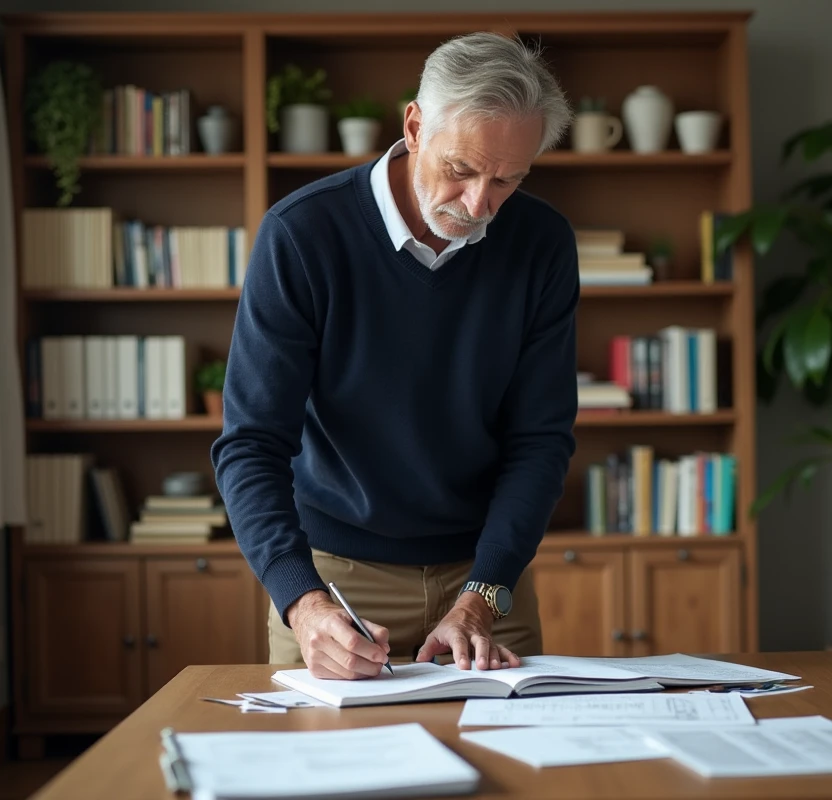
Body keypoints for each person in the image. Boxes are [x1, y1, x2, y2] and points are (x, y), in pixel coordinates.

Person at [210, 31, 579, 681]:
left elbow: (541, 440)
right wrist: (302, 602)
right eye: (461, 170)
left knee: (514, 772)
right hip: (334, 581)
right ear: (414, 125)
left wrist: (484, 594)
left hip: (486, 578)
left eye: (506, 180)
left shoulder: (542, 243)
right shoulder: (302, 235)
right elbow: (251, 444)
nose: (477, 205)